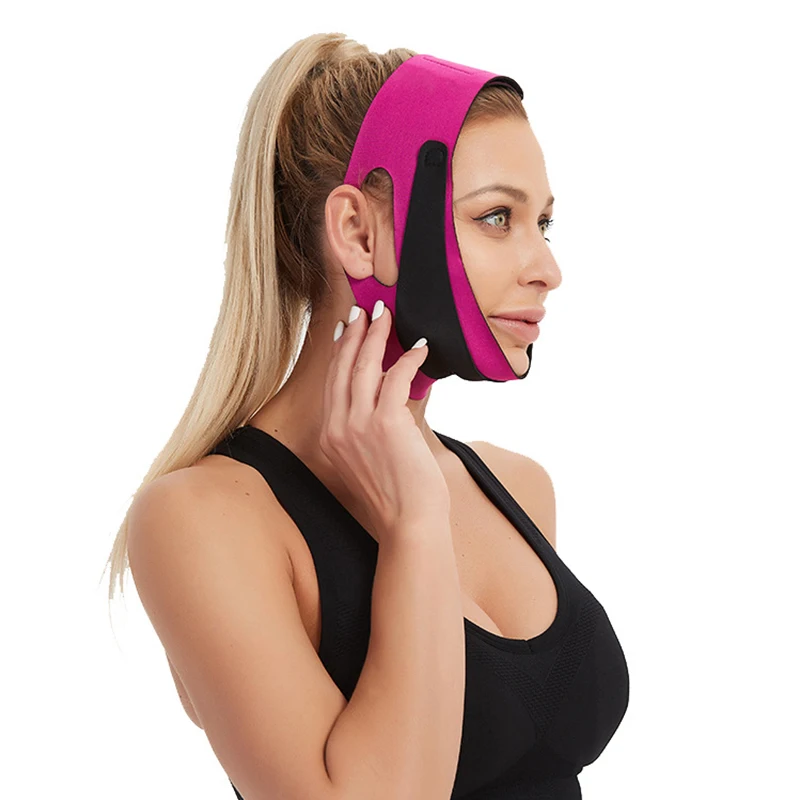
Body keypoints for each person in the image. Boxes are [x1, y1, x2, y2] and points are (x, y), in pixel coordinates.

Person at [106, 32, 629, 800]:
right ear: (357, 232)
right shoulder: (202, 520)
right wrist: (414, 525)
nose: (547, 269)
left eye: (542, 224)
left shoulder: (520, 487)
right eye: (496, 217)